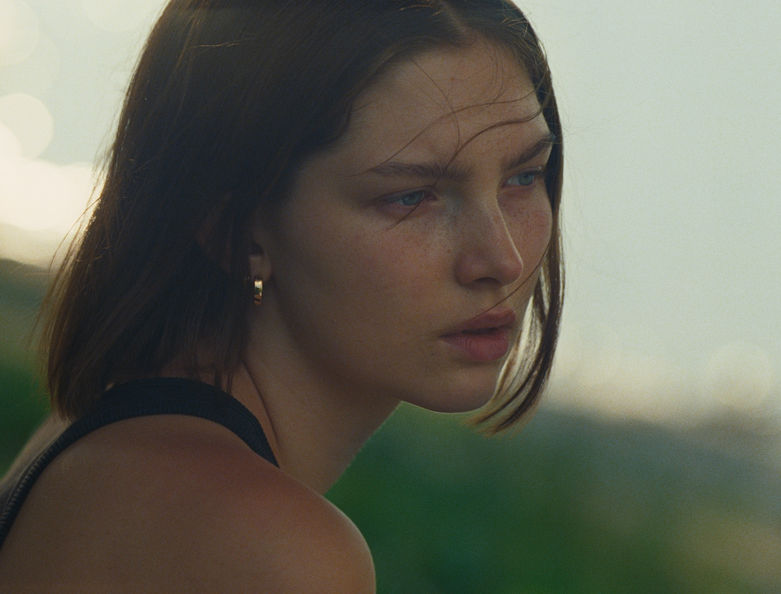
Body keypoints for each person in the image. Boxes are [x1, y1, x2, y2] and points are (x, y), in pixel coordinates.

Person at [0, 0, 563, 590]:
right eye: (411, 197)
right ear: (236, 231)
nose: (502, 259)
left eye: (524, 176)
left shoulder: (97, 433)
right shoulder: (276, 550)